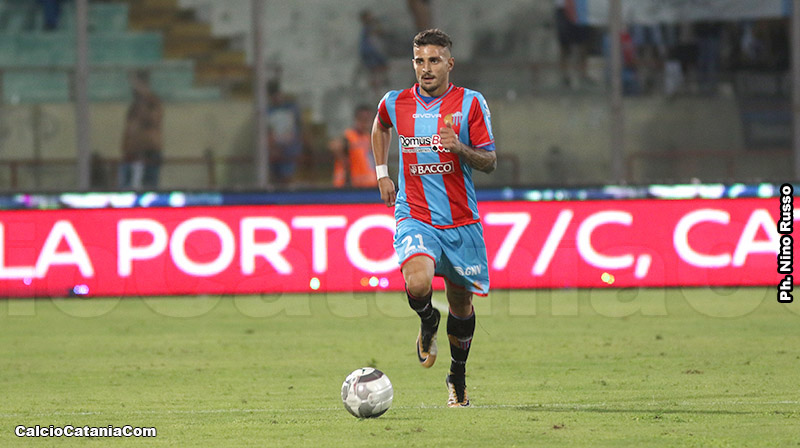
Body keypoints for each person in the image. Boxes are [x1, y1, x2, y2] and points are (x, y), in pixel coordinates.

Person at [371, 28, 497, 407]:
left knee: (461, 306)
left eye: (434, 61)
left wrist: (460, 148)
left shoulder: (471, 104)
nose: (426, 68)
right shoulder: (395, 102)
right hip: (415, 213)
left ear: (449, 63)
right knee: (418, 279)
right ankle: (428, 321)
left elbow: (489, 161)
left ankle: (457, 376)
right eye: (419, 61)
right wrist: (382, 172)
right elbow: (380, 125)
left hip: (461, 221)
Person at [120, 70, 163, 190]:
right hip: (132, 155)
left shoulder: (153, 105)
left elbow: (153, 119)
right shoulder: (133, 108)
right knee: (128, 188)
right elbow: (128, 129)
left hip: (149, 154)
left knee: (149, 188)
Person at [330, 105, 378, 188]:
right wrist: (345, 163)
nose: (365, 124)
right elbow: (334, 146)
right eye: (363, 120)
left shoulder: (368, 137)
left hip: (368, 184)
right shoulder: (349, 136)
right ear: (357, 119)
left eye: (368, 120)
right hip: (352, 186)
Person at [266, 80, 303, 186]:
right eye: (274, 95)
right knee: (275, 178)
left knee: (287, 178)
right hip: (274, 149)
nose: (277, 98)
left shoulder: (291, 108)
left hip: (289, 149)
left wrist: (300, 145)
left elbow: (299, 127)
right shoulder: (268, 110)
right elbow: (267, 131)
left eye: (279, 94)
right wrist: (272, 148)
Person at [553, 0, 593, 88]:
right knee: (564, 45)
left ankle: (582, 74)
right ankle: (564, 75)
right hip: (563, 8)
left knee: (583, 43)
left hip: (581, 7)